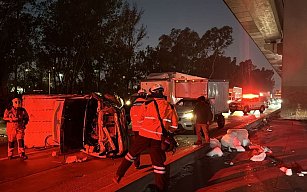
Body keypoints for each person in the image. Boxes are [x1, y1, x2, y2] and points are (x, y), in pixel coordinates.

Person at [114, 84, 178, 192]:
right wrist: (167, 132)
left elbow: (139, 120)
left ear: (152, 94)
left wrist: (144, 128)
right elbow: (174, 126)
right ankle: (160, 188)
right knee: (158, 165)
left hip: (144, 135)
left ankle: (119, 174)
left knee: (131, 154)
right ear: (162, 93)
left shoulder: (147, 104)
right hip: (158, 138)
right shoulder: (170, 106)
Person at [129, 88, 148, 169]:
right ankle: (156, 163)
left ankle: (137, 163)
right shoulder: (146, 104)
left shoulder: (133, 105)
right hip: (144, 128)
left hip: (136, 129)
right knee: (152, 146)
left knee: (137, 146)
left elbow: (131, 117)